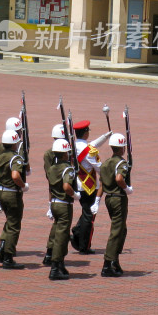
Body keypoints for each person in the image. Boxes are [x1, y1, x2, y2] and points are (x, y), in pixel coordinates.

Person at [70, 120, 110, 255]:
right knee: (90, 216)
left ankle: (77, 232)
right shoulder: (89, 150)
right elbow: (99, 167)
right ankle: (83, 245)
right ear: (85, 133)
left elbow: (92, 144)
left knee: (86, 211)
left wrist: (105, 136)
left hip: (77, 184)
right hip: (89, 186)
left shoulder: (72, 145)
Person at [0, 129, 29, 269]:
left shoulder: (0, 157)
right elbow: (15, 175)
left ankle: (3, 247)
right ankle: (8, 256)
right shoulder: (15, 157)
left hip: (2, 191)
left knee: (9, 221)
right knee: (14, 225)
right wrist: (23, 185)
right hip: (12, 193)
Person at [99, 132, 133, 278]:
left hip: (109, 198)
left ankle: (114, 259)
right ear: (122, 148)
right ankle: (108, 262)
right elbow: (119, 178)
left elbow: (101, 183)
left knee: (121, 229)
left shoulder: (106, 163)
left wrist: (97, 200)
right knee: (117, 230)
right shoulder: (121, 163)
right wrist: (126, 188)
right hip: (118, 198)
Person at [45, 139, 79, 280]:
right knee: (61, 236)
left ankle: (60, 265)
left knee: (59, 232)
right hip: (64, 204)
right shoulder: (67, 168)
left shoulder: (52, 168)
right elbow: (66, 186)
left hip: (54, 202)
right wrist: (74, 194)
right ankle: (55, 267)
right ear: (65, 154)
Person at [41, 123, 67, 266]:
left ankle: (51, 252)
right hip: (61, 190)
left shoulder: (49, 153)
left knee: (57, 224)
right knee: (61, 226)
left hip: (56, 188)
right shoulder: (52, 153)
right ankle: (53, 255)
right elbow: (50, 176)